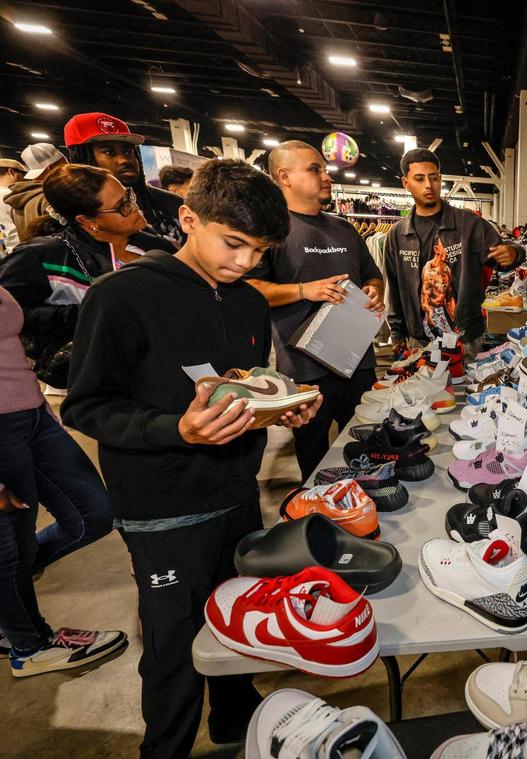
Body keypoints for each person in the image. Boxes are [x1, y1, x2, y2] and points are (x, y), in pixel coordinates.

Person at [62, 159, 320, 759]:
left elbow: (244, 385)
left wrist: (279, 407)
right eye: (233, 243)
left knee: (236, 622)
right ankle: (168, 747)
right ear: (187, 219)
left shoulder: (250, 302)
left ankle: (234, 721)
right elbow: (87, 408)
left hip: (236, 495)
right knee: (176, 647)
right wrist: (176, 428)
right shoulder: (121, 296)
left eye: (258, 251)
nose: (244, 262)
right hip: (162, 507)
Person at [0, 284, 123, 677]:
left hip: (31, 416)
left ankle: (9, 608)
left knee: (93, 513)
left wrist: (42, 412)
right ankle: (29, 644)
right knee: (8, 545)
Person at [245, 140, 383, 479]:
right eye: (314, 169)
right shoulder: (270, 232)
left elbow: (372, 274)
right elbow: (249, 289)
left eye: (325, 169)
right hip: (306, 369)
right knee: (315, 457)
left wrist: (373, 291)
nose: (326, 177)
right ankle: (321, 512)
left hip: (358, 362)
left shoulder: (344, 228)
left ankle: (369, 501)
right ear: (284, 176)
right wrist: (305, 290)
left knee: (370, 441)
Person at [0, 164, 171, 388]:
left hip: (153, 376)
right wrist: (85, 313)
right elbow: (10, 313)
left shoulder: (155, 246)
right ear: (87, 220)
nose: (134, 207)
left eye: (128, 195)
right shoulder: (42, 256)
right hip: (82, 386)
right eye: (121, 206)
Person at [383, 147, 524, 356]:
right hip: (418, 342)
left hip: (465, 340)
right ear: (406, 183)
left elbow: (505, 256)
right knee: (420, 388)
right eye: (419, 179)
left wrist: (514, 252)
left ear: (440, 179)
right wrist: (397, 334)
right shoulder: (397, 235)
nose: (428, 185)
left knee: (467, 388)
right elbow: (394, 289)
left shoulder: (469, 225)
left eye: (433, 178)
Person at [64, 112, 186, 246]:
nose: (124, 160)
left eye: (128, 152)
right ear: (81, 157)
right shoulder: (69, 218)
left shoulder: (172, 202)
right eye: (109, 152)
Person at [4, 143, 67, 244]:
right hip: (57, 258)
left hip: (32, 258)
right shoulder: (52, 198)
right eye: (65, 165)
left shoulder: (16, 200)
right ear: (50, 168)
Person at [0, 157, 26, 251]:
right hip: (20, 252)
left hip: (3, 252)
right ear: (11, 172)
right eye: (23, 174)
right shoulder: (15, 196)